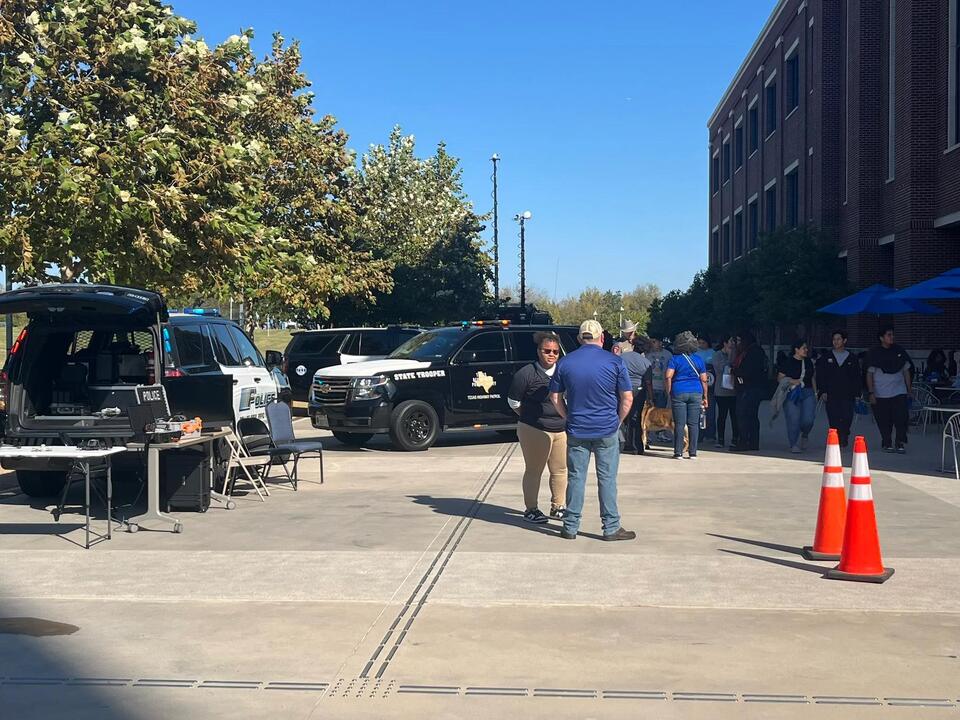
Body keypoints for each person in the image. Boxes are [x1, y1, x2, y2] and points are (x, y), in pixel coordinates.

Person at [549, 320, 635, 541]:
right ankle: (611, 527)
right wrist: (618, 421)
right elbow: (627, 398)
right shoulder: (614, 362)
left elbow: (555, 397)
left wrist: (567, 416)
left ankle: (570, 526)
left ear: (579, 338)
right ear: (602, 338)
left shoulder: (565, 363)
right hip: (606, 428)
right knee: (607, 478)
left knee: (576, 477)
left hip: (577, 428)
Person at [507, 331, 568, 522]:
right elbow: (513, 402)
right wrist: (529, 417)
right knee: (534, 470)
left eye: (555, 352)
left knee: (560, 470)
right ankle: (531, 509)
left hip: (561, 429)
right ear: (538, 351)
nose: (551, 354)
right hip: (534, 428)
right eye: (546, 350)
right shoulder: (526, 374)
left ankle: (558, 506)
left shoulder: (564, 372)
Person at [866, 326, 913, 453]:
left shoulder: (899, 350)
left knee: (901, 417)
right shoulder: (874, 353)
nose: (892, 337)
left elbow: (906, 371)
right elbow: (869, 373)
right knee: (884, 419)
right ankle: (886, 441)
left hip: (899, 391)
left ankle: (900, 441)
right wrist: (871, 392)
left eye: (892, 334)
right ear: (881, 338)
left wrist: (909, 389)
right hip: (881, 392)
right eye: (888, 335)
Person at [665, 331, 709, 459]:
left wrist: (669, 391)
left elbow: (668, 376)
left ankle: (678, 452)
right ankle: (693, 452)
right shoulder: (699, 359)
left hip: (678, 391)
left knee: (679, 423)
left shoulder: (675, 359)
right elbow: (704, 379)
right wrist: (705, 396)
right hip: (696, 392)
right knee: (693, 424)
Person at [816, 330, 862, 448]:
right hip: (831, 393)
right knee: (833, 416)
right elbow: (821, 375)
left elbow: (857, 377)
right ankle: (836, 438)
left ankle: (844, 434)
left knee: (847, 416)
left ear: (844, 341)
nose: (836, 342)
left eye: (838, 339)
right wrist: (823, 391)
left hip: (848, 393)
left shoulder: (852, 358)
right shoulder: (826, 357)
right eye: (834, 339)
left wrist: (857, 393)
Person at [776, 339, 818, 453]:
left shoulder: (808, 362)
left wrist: (815, 393)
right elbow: (780, 378)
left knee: (808, 419)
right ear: (796, 350)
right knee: (793, 419)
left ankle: (805, 434)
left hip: (808, 392)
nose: (806, 350)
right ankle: (793, 443)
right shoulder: (788, 362)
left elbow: (812, 377)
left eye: (806, 348)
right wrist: (791, 381)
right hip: (792, 393)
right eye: (803, 348)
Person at [730, 331, 767, 453]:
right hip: (755, 387)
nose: (738, 343)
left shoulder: (751, 353)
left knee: (742, 414)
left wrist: (736, 371)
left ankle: (744, 441)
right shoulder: (756, 351)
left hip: (749, 387)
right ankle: (753, 442)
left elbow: (748, 371)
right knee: (752, 415)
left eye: (740, 341)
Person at [617, 339, 652, 454]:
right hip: (639, 390)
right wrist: (650, 397)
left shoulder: (623, 357)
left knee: (622, 415)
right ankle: (638, 445)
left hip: (623, 388)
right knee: (636, 418)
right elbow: (648, 382)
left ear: (633, 345)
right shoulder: (646, 362)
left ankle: (623, 442)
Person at [712, 334, 739, 449]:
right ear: (725, 342)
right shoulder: (718, 355)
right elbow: (720, 368)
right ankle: (721, 439)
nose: (733, 344)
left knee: (735, 416)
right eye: (731, 341)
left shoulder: (736, 353)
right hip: (721, 390)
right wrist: (729, 357)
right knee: (722, 415)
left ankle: (735, 438)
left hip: (733, 390)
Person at [696, 335, 717, 442]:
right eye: (699, 342)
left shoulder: (713, 353)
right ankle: (699, 434)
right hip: (698, 383)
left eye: (703, 342)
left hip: (710, 383)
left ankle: (711, 434)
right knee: (698, 411)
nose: (701, 345)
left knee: (710, 411)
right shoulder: (695, 353)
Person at [647, 337, 673, 408]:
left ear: (660, 343)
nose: (652, 344)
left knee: (660, 412)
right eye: (651, 342)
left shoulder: (668, 355)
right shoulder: (647, 354)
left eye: (654, 342)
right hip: (650, 388)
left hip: (662, 387)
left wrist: (667, 388)